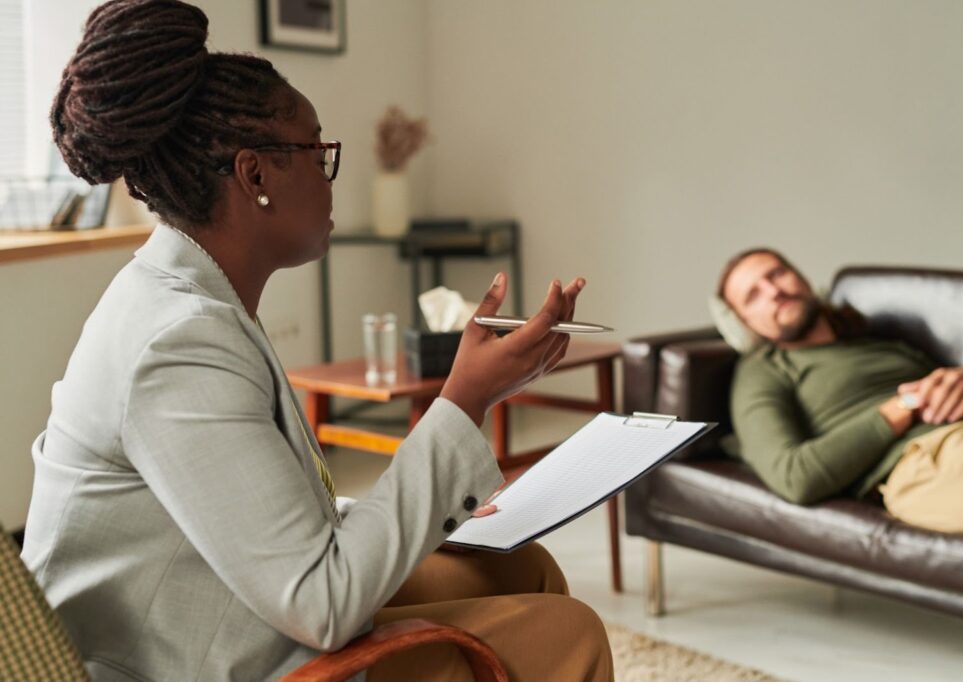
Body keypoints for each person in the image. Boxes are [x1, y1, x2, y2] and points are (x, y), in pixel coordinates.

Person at [21, 1, 613, 680]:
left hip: (240, 605)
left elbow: (260, 507)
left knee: (522, 567)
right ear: (255, 175)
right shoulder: (176, 346)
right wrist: (465, 398)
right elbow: (322, 602)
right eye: (318, 150)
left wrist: (443, 500)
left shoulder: (193, 300)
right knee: (569, 633)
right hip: (193, 659)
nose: (331, 175)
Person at [716, 247, 963, 537]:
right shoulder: (764, 370)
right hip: (922, 462)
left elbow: (945, 391)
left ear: (802, 278)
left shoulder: (881, 345)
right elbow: (793, 477)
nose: (774, 291)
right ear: (747, 323)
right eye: (753, 296)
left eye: (777, 274)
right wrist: (904, 407)